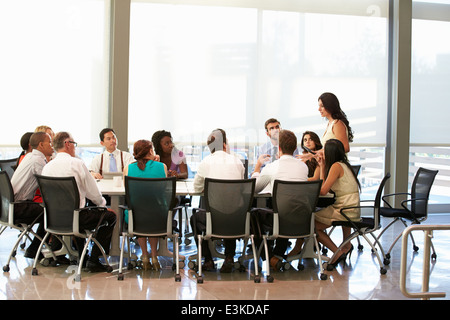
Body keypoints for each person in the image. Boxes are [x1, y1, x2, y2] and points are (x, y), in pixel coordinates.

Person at [42, 131, 117, 272]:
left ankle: (82, 253)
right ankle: (94, 259)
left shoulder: (47, 167)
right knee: (110, 216)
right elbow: (93, 192)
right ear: (67, 144)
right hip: (76, 218)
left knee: (85, 209)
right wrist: (103, 206)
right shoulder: (76, 163)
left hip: (53, 219)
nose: (75, 147)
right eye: (74, 144)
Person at [251, 129, 309, 270]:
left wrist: (257, 169)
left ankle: (269, 257)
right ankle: (278, 255)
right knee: (285, 208)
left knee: (253, 215)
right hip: (301, 219)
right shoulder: (304, 167)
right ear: (295, 148)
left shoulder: (272, 167)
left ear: (280, 148)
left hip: (280, 219)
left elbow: (254, 189)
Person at [191, 128, 245, 272]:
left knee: (195, 218)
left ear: (210, 148)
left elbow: (196, 188)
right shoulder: (238, 162)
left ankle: (208, 259)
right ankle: (229, 257)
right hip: (236, 218)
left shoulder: (206, 162)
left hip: (213, 218)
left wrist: (206, 187)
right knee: (230, 209)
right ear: (225, 144)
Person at [314, 139, 360, 268]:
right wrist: (323, 166)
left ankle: (337, 252)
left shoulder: (336, 166)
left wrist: (322, 166)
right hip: (352, 209)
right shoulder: (345, 165)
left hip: (343, 210)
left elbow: (323, 191)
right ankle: (346, 246)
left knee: (312, 226)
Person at [123, 139, 168, 271]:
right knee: (152, 212)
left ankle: (144, 255)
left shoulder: (128, 168)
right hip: (158, 216)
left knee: (139, 211)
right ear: (150, 151)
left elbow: (128, 191)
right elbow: (163, 190)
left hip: (136, 217)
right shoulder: (162, 167)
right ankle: (154, 256)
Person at [10, 132, 54, 259]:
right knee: (54, 212)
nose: (52, 146)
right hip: (20, 206)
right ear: (41, 145)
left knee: (49, 210)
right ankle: (35, 249)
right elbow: (51, 184)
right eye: (49, 142)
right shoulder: (37, 160)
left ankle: (38, 247)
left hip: (11, 206)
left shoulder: (29, 157)